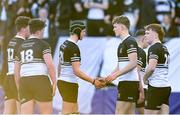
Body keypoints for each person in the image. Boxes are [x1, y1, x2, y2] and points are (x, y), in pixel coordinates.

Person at [57, 20, 104, 114]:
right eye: (83, 31)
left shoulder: (64, 44)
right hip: (68, 83)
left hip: (64, 81)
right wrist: (93, 81)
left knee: (75, 112)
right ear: (77, 31)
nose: (85, 34)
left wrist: (60, 78)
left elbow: (59, 65)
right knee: (68, 113)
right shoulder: (73, 47)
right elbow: (76, 71)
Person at [14, 19, 56, 114]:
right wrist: (54, 83)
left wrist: (19, 88)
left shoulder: (20, 46)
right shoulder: (44, 44)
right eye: (43, 31)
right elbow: (50, 65)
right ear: (39, 31)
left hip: (24, 82)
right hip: (40, 80)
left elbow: (16, 71)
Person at [106, 15, 139, 114]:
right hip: (125, 82)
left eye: (115, 26)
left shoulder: (130, 41)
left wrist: (116, 74)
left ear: (123, 27)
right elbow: (119, 66)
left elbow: (133, 63)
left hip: (129, 83)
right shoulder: (122, 43)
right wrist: (109, 77)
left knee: (119, 112)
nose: (113, 29)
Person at [3, 16, 30, 114]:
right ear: (23, 28)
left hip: (8, 78)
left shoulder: (11, 41)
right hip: (17, 78)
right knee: (22, 112)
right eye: (29, 27)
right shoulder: (23, 43)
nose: (30, 30)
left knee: (8, 112)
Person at [143, 24, 171, 114]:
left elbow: (151, 68)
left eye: (147, 33)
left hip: (156, 87)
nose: (145, 36)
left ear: (155, 34)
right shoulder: (164, 48)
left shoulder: (154, 48)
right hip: (165, 86)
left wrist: (144, 78)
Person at [134, 29, 148, 114]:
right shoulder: (141, 52)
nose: (148, 42)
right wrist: (142, 92)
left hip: (134, 86)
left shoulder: (133, 51)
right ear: (143, 38)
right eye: (147, 39)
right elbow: (136, 72)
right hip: (140, 88)